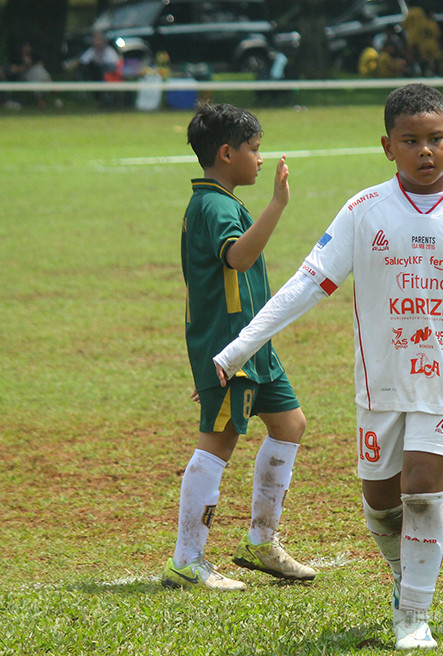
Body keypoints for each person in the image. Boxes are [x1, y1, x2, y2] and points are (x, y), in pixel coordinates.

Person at [213, 83, 443, 650]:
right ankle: (408, 579)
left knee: (423, 490)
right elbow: (307, 284)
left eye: (435, 140)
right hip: (380, 384)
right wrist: (237, 349)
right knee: (381, 504)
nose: (424, 151)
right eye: (411, 141)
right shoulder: (364, 211)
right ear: (388, 146)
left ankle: (413, 618)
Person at [163, 103, 316, 592]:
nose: (260, 159)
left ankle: (260, 542)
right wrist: (277, 205)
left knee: (290, 424)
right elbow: (239, 255)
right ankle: (187, 560)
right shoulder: (213, 205)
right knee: (219, 440)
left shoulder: (219, 200)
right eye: (254, 150)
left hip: (254, 346)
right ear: (227, 153)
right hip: (232, 351)